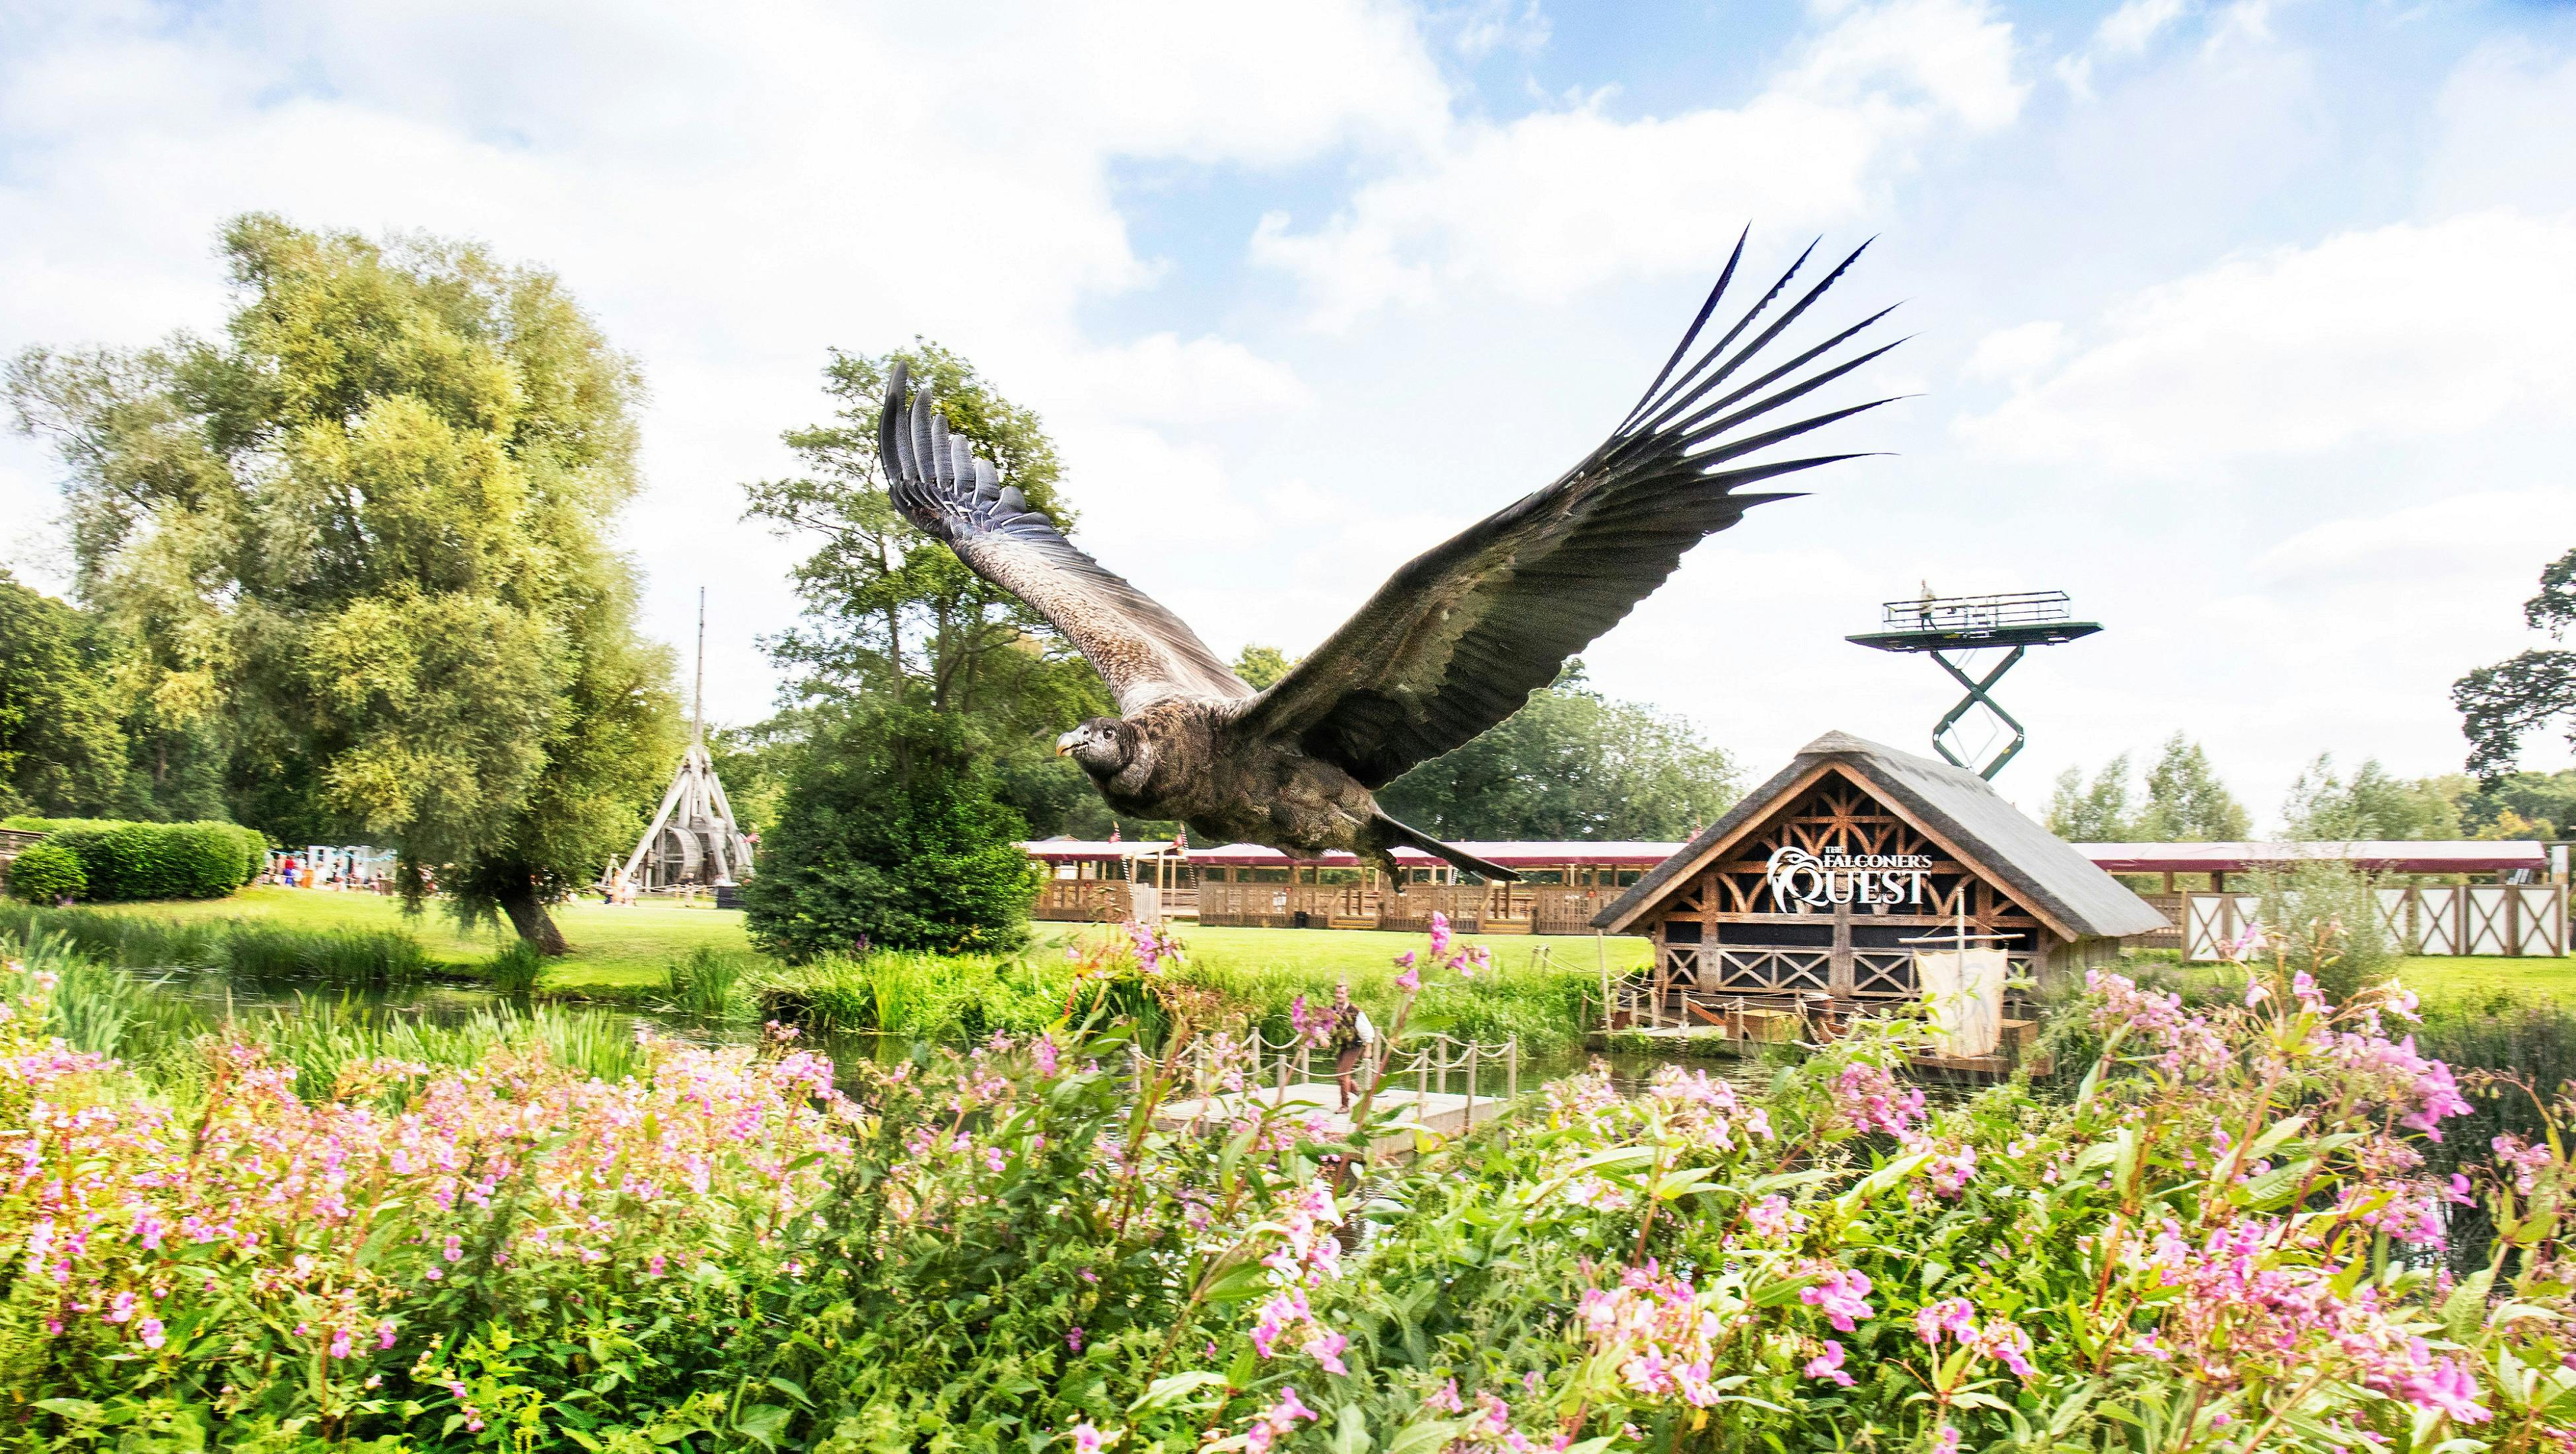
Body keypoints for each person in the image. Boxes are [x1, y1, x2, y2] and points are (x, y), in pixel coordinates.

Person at [1326, 979, 1377, 1111]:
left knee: (1342, 1074)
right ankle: (1359, 1093)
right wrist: (1322, 1037)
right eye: (1337, 993)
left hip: (1355, 1046)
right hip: (1341, 1046)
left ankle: (1345, 1105)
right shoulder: (1331, 1011)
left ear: (1347, 994)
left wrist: (1368, 1048)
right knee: (1341, 1076)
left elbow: (1367, 1030)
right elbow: (1323, 1026)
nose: (1339, 995)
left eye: (1341, 993)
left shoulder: (1355, 1011)